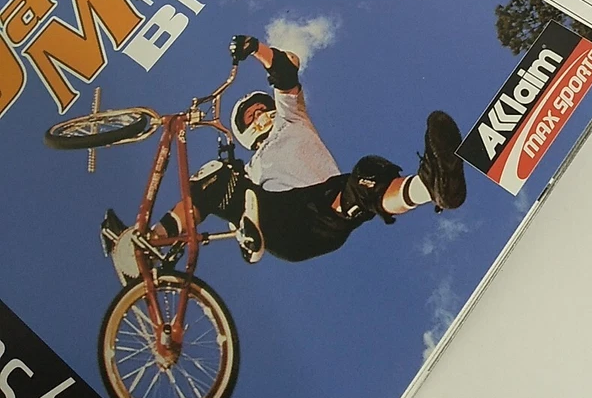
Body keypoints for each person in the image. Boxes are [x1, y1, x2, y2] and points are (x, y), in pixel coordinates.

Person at [101, 35, 467, 275]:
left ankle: (432, 185)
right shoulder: (248, 167)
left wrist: (255, 47)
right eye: (251, 117)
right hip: (281, 223)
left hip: (326, 209)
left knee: (367, 173)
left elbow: (286, 73)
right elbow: (218, 193)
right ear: (244, 132)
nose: (260, 115)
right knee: (217, 176)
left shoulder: (292, 118)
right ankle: (150, 242)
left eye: (262, 109)